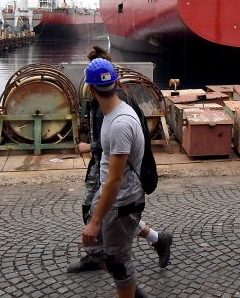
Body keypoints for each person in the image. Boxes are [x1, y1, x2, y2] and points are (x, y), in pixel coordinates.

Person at [69, 46, 172, 273]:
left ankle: (98, 255)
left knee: (98, 212)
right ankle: (157, 239)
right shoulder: (114, 97)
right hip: (108, 164)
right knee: (114, 213)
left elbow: (118, 143)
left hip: (119, 171)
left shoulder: (115, 106)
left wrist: (91, 146)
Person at [79, 58, 148, 298]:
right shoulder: (114, 113)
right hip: (111, 200)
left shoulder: (120, 124)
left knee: (119, 262)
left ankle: (129, 290)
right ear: (116, 82)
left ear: (90, 88)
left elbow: (115, 180)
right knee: (100, 252)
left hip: (122, 203)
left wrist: (96, 220)